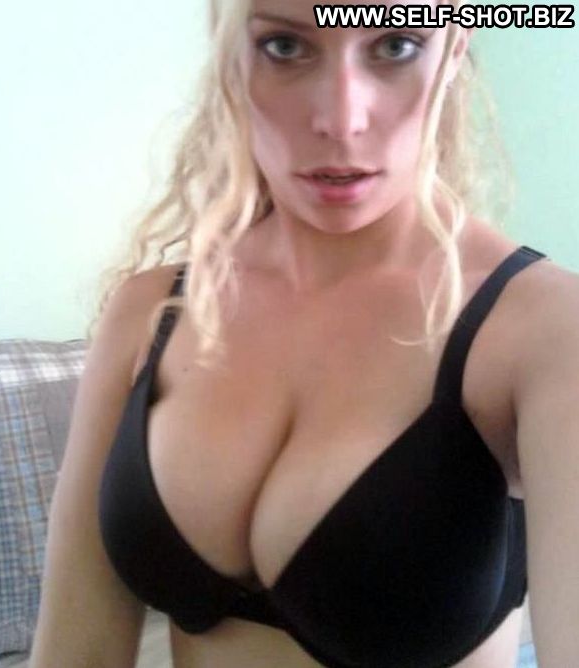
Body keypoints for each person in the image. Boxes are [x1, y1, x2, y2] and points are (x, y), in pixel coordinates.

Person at [30, 1, 579, 667]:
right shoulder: (149, 311)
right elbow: (75, 651)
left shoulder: (546, 330)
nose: (341, 120)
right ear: (229, 56)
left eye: (396, 45)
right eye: (285, 47)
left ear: (452, 52)